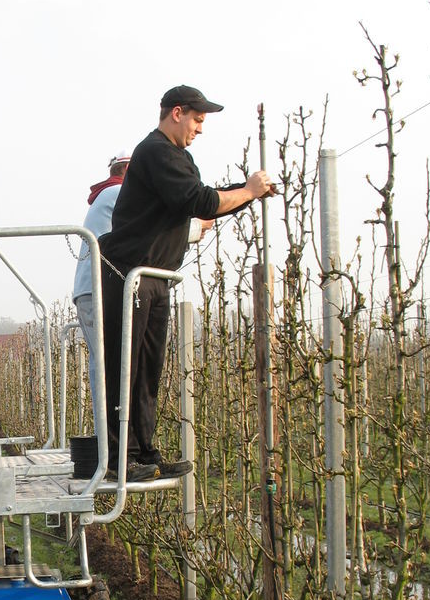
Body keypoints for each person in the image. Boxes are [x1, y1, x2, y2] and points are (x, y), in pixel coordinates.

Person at [100, 86, 277, 481]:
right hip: (129, 275)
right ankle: (118, 459)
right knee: (125, 368)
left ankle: (144, 453)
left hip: (155, 278)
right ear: (176, 113)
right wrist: (247, 190)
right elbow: (201, 201)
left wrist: (248, 194)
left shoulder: (178, 157)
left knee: (148, 371)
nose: (200, 128)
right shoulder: (156, 151)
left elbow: (201, 202)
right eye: (197, 119)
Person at [72, 148, 213, 433]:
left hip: (96, 290)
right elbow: (151, 229)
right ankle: (112, 444)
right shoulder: (118, 195)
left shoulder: (107, 196)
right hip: (103, 292)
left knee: (106, 367)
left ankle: (111, 443)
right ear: (129, 172)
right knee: (113, 368)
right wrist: (196, 226)